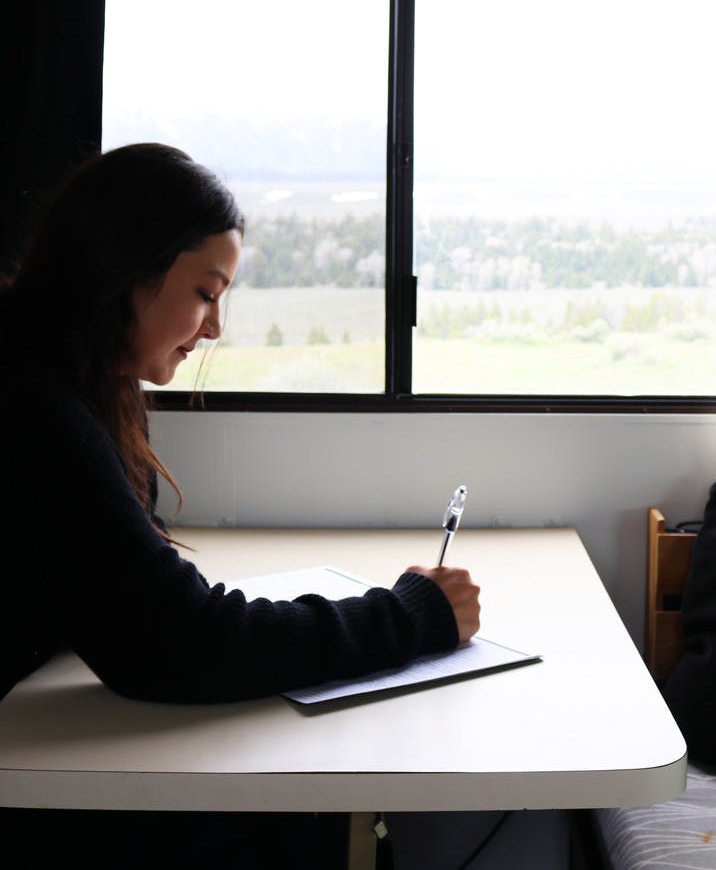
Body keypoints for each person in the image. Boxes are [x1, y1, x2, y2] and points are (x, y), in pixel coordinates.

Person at [0, 142, 480, 869]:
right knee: (308, 811)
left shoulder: (74, 382)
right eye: (205, 292)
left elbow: (131, 590)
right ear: (128, 271)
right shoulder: (35, 411)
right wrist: (410, 615)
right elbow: (176, 643)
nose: (215, 327)